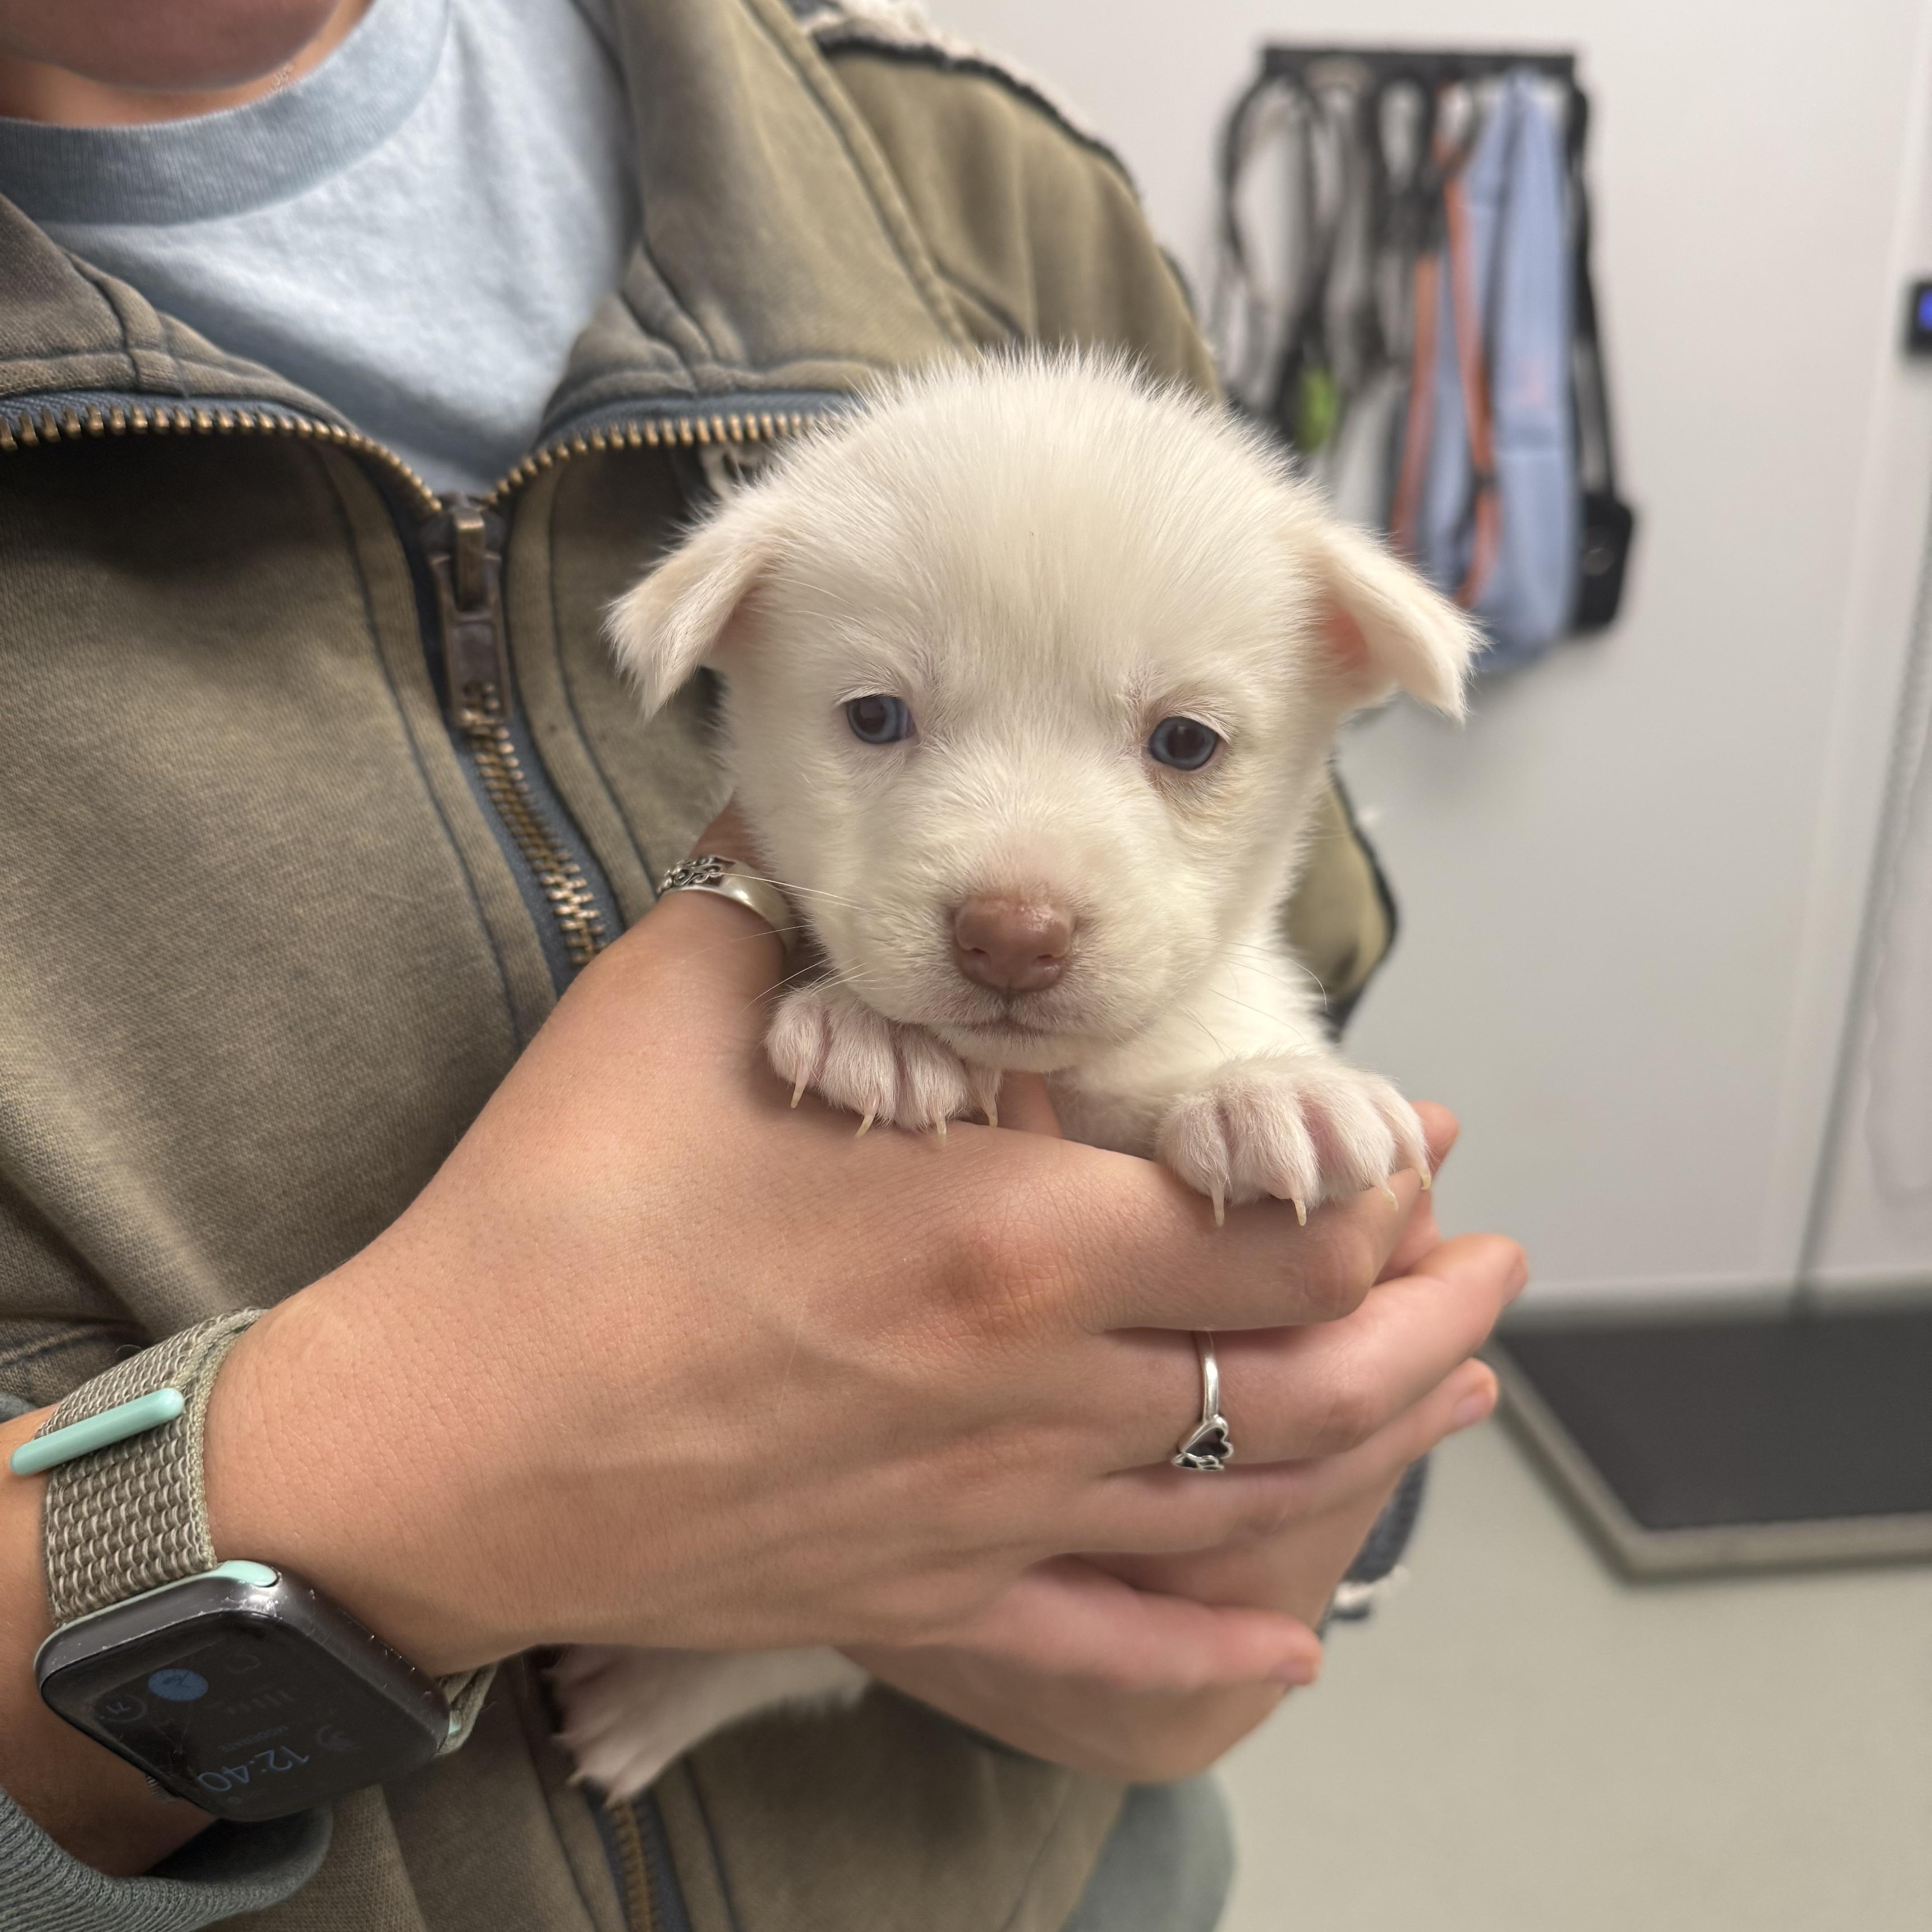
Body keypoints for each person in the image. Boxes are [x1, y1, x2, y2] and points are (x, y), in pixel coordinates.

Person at [0, 1, 1528, 1927]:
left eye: (1183, 747)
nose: (1016, 901)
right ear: (734, 668)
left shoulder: (980, 190)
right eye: (881, 720)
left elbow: (1303, 1320)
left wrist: (1288, 1523)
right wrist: (369, 1509)